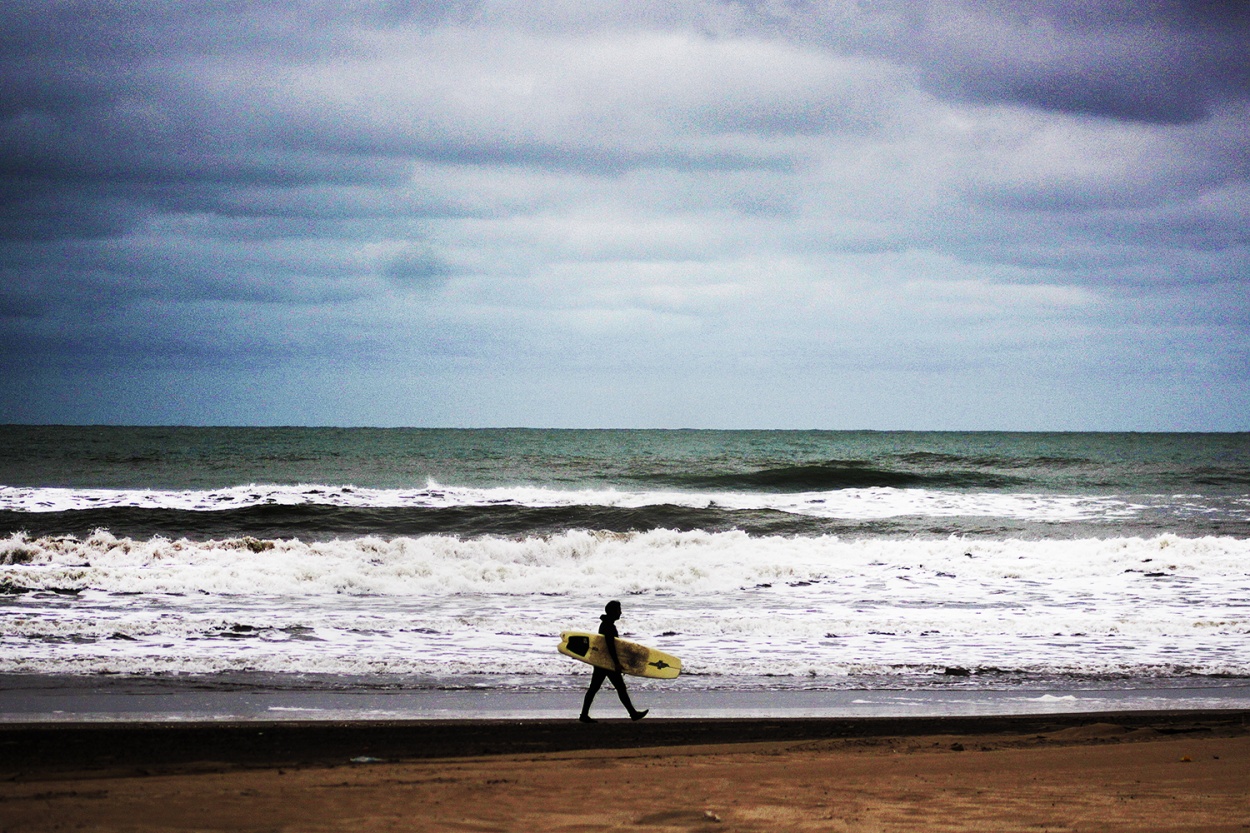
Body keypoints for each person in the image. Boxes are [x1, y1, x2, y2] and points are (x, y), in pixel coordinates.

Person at [579, 600, 649, 722]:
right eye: (618, 610)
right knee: (619, 687)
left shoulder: (606, 624)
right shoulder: (608, 627)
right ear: (613, 612)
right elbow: (610, 646)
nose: (620, 613)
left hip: (602, 661)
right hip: (607, 662)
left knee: (595, 688)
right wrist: (616, 663)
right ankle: (633, 713)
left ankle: (584, 715)